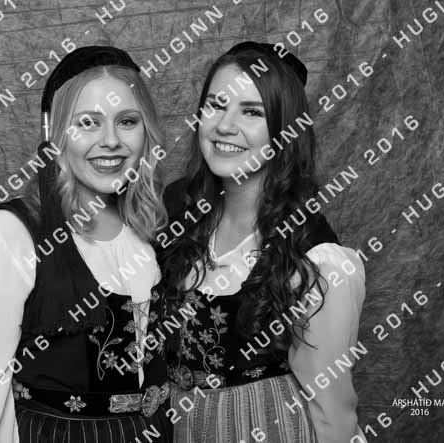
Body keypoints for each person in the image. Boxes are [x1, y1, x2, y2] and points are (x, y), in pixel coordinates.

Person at [0, 46, 173, 442]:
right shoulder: (5, 237)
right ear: (56, 132)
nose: (111, 141)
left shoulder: (147, 226)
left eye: (127, 121)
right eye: (88, 122)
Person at [157, 41, 368, 443]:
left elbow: (333, 415)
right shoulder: (180, 212)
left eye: (252, 112)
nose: (225, 125)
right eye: (216, 105)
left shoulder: (317, 259)